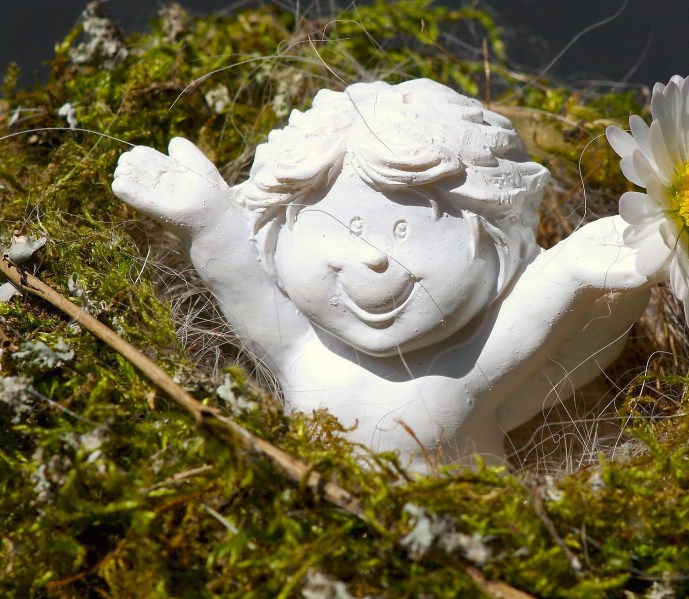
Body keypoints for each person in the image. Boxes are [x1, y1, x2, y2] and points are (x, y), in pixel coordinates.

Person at [112, 78, 652, 468]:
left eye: (402, 230)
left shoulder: (467, 370)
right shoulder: (302, 350)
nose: (371, 259)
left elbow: (533, 311)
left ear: (499, 239)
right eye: (342, 228)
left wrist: (575, 267)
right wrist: (205, 217)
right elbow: (241, 280)